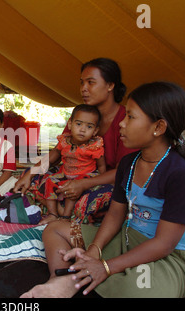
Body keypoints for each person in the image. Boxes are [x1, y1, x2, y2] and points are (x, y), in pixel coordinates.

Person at [21, 82, 185, 298]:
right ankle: (62, 281)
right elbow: (116, 213)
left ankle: (88, 277)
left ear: (158, 127)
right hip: (126, 238)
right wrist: (94, 251)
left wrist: (105, 267)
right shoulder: (129, 163)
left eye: (130, 117)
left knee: (139, 290)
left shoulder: (181, 174)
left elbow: (164, 244)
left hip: (168, 257)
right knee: (54, 229)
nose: (121, 124)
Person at [14, 57, 135, 224]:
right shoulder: (81, 116)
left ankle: (57, 209)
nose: (83, 89)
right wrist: (31, 173)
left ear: (110, 85)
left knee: (105, 198)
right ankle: (63, 210)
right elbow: (57, 152)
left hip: (103, 182)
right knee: (28, 177)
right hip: (72, 178)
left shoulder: (125, 120)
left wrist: (84, 185)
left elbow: (125, 171)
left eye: (90, 82)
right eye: (82, 83)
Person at [41, 104, 106, 225]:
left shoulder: (94, 146)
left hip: (85, 175)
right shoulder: (64, 141)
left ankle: (66, 217)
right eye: (79, 124)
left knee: (73, 188)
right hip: (65, 172)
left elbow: (101, 165)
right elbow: (56, 153)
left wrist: (101, 180)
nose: (83, 129)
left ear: (95, 131)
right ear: (70, 124)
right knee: (48, 181)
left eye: (89, 126)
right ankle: (52, 214)